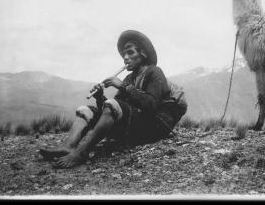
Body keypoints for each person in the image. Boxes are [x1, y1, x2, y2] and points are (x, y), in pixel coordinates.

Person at [39, 30, 184, 168]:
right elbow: (112, 111)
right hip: (134, 126)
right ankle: (68, 146)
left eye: (130, 52)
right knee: (85, 110)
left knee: (113, 105)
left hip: (153, 127)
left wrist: (123, 86)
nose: (125, 58)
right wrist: (99, 97)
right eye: (124, 54)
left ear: (143, 54)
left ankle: (81, 153)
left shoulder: (154, 71)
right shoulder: (129, 78)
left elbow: (151, 105)